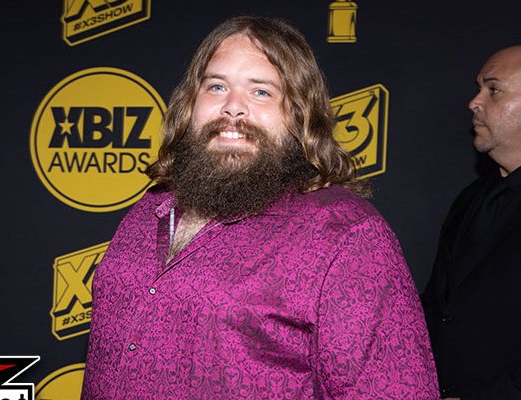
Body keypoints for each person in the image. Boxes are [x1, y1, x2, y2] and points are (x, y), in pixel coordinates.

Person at [83, 16, 438, 399]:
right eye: (216, 86)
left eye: (261, 92)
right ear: (190, 102)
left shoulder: (344, 234)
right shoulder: (151, 206)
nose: (232, 108)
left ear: (298, 113)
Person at [422, 45, 521, 400]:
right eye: (478, 88)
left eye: (493, 89)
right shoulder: (470, 199)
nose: (474, 102)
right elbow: (439, 305)